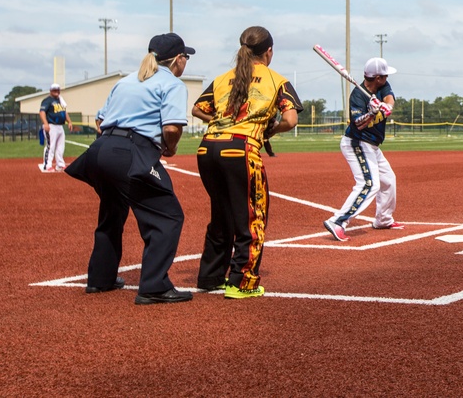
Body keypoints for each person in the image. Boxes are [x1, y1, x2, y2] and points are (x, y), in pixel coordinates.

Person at [65, 33, 195, 305]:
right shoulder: (172, 83)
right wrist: (168, 148)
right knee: (167, 217)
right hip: (132, 151)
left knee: (112, 212)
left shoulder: (125, 81)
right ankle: (154, 286)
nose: (186, 62)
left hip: (100, 151)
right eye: (186, 56)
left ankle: (100, 280)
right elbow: (171, 127)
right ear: (178, 60)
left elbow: (101, 121)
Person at [192, 26, 301, 299]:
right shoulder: (277, 80)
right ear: (269, 52)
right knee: (252, 216)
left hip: (208, 149)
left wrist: (222, 123)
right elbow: (290, 119)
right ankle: (242, 282)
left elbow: (197, 109)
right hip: (241, 150)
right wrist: (269, 129)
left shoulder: (222, 79)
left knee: (222, 213)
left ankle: (210, 276)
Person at [324, 57, 401, 242]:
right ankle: (338, 221)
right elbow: (358, 124)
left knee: (388, 180)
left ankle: (383, 219)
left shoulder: (382, 86)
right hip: (357, 142)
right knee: (369, 184)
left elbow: (390, 98)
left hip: (372, 145)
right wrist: (372, 112)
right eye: (385, 75)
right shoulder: (357, 96)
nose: (387, 78)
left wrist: (386, 107)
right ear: (377, 78)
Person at [39, 83, 73, 172]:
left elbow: (64, 112)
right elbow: (42, 112)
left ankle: (60, 164)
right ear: (50, 91)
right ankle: (47, 165)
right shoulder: (47, 100)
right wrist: (46, 124)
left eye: (57, 90)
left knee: (60, 146)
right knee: (51, 146)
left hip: (60, 126)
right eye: (54, 90)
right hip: (51, 125)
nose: (56, 91)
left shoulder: (60, 100)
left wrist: (69, 121)